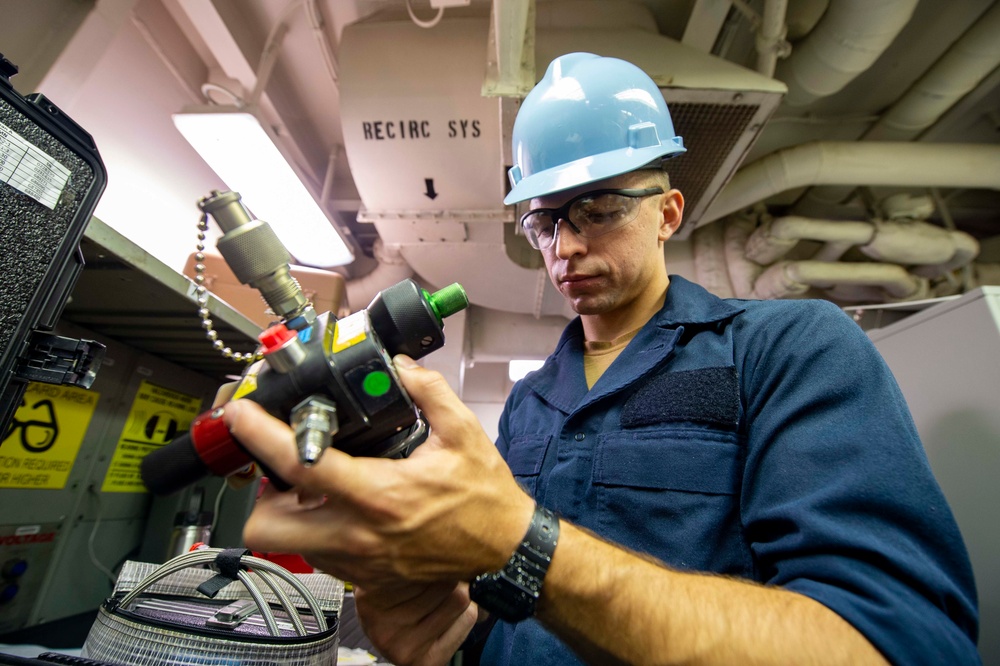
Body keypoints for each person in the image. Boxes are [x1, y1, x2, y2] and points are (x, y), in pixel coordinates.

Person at [224, 53, 980, 665]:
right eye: (544, 222)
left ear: (668, 213)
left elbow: (900, 646)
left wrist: (524, 542)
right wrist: (449, 633)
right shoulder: (529, 402)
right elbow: (503, 615)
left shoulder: (790, 349)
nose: (567, 246)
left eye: (599, 209)